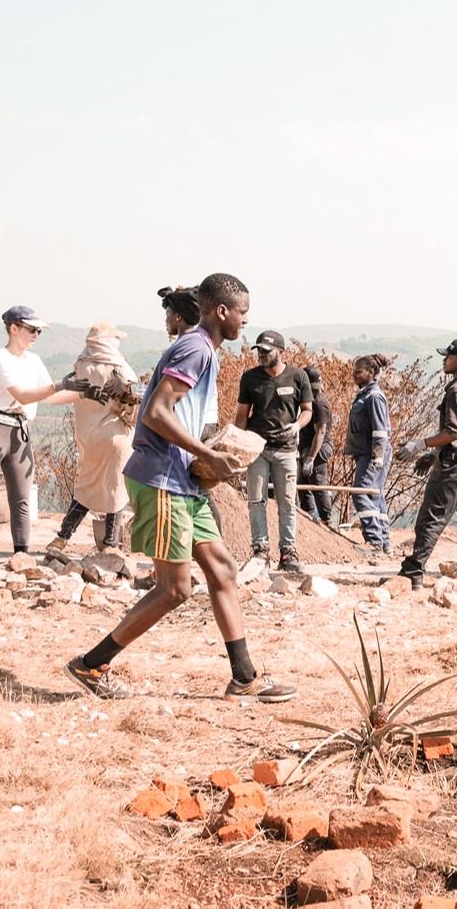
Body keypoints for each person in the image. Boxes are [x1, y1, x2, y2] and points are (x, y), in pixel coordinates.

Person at [66, 274, 296, 703]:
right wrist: (206, 455)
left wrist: (206, 456)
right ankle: (91, 663)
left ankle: (244, 677)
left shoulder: (204, 350)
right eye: (242, 312)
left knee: (223, 570)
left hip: (183, 479)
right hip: (161, 479)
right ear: (221, 311)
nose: (246, 321)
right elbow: (155, 412)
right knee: (174, 589)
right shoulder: (195, 349)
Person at [0, 307, 87, 570]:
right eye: (32, 329)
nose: (36, 334)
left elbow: (51, 397)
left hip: (19, 431)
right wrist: (59, 384)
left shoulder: (34, 361)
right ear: (13, 328)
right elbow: (22, 394)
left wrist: (85, 394)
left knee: (21, 498)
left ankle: (21, 556)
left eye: (38, 330)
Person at [397, 339, 457, 590]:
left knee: (431, 516)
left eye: (449, 356)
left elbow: (453, 431)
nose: (444, 360)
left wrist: (421, 444)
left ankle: (413, 570)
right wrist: (434, 454)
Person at [47, 322, 142, 555]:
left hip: (87, 438)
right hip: (114, 437)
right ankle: (110, 544)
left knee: (86, 488)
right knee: (116, 490)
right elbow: (137, 396)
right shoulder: (118, 367)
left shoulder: (79, 365)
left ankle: (61, 538)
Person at [234, 331, 312, 572]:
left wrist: (297, 426)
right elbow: (241, 415)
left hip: (287, 450)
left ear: (281, 351)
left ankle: (288, 552)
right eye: (259, 350)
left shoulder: (298, 376)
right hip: (257, 449)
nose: (262, 355)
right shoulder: (250, 378)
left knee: (287, 502)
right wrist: (238, 447)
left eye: (267, 351)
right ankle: (260, 550)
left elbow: (308, 410)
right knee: (255, 501)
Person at [346, 355, 393, 554]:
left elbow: (380, 430)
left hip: (373, 453)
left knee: (361, 492)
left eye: (359, 372)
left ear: (371, 373)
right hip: (367, 452)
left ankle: (374, 541)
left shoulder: (374, 396)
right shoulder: (365, 395)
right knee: (376, 494)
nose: (354, 375)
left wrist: (377, 457)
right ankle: (384, 542)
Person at [159, 285, 218, 439]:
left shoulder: (190, 348)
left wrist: (131, 390)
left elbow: (168, 392)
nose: (166, 320)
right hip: (206, 421)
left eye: (168, 314)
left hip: (194, 424)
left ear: (178, 317)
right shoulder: (196, 343)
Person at [297, 365, 334, 525]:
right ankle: (308, 515)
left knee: (318, 483)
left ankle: (326, 520)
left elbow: (320, 432)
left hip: (318, 448)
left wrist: (311, 457)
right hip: (306, 447)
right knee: (303, 484)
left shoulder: (319, 403)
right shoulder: (308, 399)